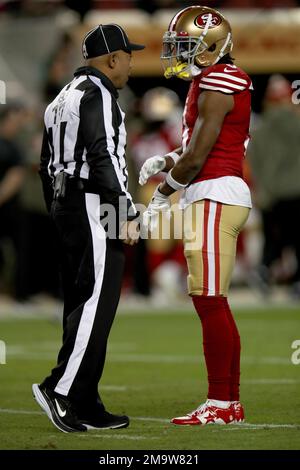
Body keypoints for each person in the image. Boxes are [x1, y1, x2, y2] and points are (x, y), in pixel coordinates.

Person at [140, 5, 252, 425]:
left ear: (208, 46)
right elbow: (202, 146)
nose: (177, 53)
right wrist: (167, 159)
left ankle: (221, 403)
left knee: (209, 301)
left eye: (184, 46)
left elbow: (200, 156)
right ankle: (229, 403)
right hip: (217, 191)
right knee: (213, 302)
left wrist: (162, 192)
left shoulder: (221, 80)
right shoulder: (211, 80)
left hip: (214, 193)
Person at [32, 24, 144, 433]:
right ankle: (60, 390)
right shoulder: (99, 94)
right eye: (128, 54)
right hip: (93, 203)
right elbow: (104, 157)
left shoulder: (61, 97)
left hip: (67, 205)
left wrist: (58, 213)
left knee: (82, 302)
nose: (132, 61)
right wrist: (125, 212)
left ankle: (83, 399)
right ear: (112, 59)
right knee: (97, 301)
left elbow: (45, 165)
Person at [248, 75, 300, 298]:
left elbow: (252, 164)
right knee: (297, 240)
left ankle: (264, 272)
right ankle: (296, 283)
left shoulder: (258, 130)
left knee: (272, 240)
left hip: (270, 194)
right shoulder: (298, 124)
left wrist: (261, 190)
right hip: (297, 192)